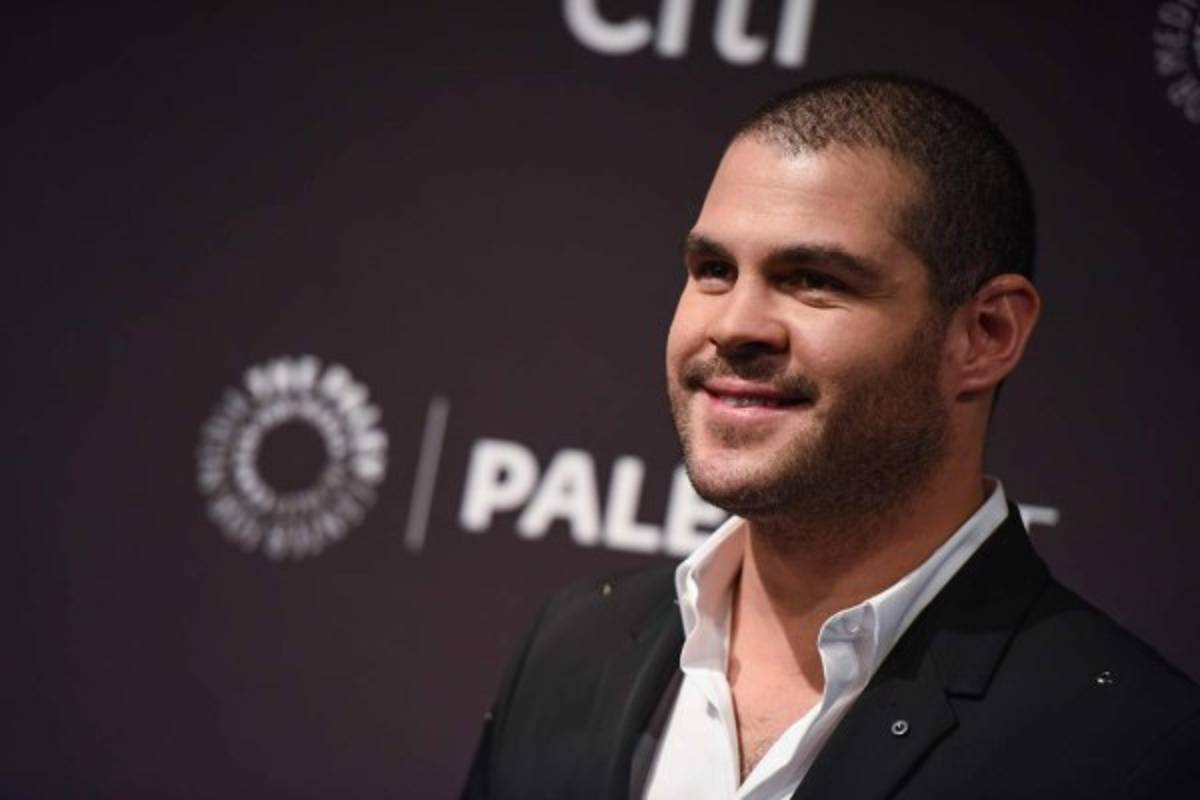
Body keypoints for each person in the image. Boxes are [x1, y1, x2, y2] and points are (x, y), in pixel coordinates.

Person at [460, 74, 1200, 799]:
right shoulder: (571, 644)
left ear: (985, 334)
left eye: (813, 279)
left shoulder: (1132, 749)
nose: (732, 325)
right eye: (713, 269)